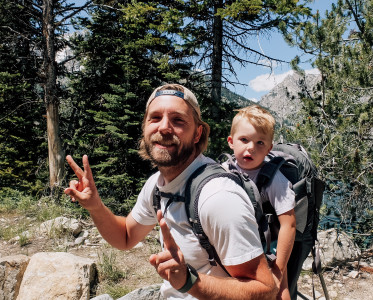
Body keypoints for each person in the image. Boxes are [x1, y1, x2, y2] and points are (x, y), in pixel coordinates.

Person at [64, 84, 278, 299]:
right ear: (145, 127)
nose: (164, 128)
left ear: (197, 134)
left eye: (178, 120)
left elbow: (265, 290)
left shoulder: (218, 197)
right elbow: (126, 237)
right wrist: (95, 206)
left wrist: (190, 282)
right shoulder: (157, 185)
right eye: (155, 118)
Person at [226, 105, 296, 300]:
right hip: (238, 245)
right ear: (231, 142)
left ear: (268, 148)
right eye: (244, 140)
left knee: (279, 291)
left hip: (269, 250)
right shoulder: (223, 170)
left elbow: (288, 224)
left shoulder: (275, 179)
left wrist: (279, 269)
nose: (251, 148)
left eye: (259, 143)